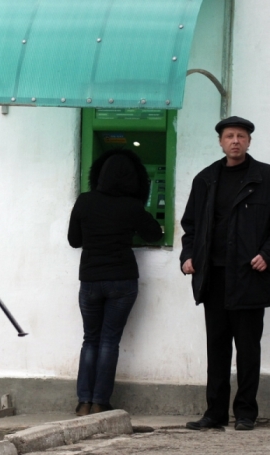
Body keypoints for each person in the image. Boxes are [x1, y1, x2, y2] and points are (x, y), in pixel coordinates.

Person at [181, 116, 270, 432]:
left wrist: (266, 254)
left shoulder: (265, 178)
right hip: (213, 277)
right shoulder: (205, 179)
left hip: (248, 278)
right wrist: (188, 255)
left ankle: (245, 413)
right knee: (217, 349)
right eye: (230, 136)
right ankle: (214, 413)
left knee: (248, 350)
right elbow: (190, 226)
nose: (235, 141)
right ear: (220, 141)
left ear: (249, 142)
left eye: (241, 136)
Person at [68, 149, 162, 416]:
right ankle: (101, 401)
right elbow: (154, 234)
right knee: (109, 341)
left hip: (90, 280)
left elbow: (74, 240)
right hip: (122, 280)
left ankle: (83, 402)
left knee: (90, 340)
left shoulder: (84, 201)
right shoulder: (131, 206)